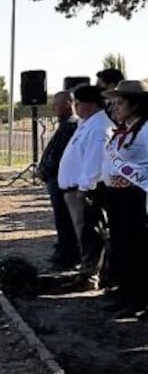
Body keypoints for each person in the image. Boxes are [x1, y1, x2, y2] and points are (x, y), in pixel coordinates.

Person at [57, 85, 114, 291]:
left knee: (89, 234)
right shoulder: (87, 123)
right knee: (83, 234)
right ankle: (87, 272)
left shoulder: (99, 128)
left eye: (77, 103)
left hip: (87, 190)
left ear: (88, 105)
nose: (75, 107)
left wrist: (85, 188)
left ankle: (91, 276)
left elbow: (95, 162)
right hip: (75, 189)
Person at [100, 80, 148, 316]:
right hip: (116, 196)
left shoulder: (146, 130)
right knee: (121, 246)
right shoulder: (123, 129)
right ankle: (126, 292)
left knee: (136, 248)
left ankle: (138, 298)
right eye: (113, 103)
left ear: (136, 105)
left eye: (120, 102)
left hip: (136, 197)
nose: (114, 107)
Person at [37, 91, 80, 269]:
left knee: (65, 219)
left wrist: (46, 170)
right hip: (55, 179)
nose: (53, 107)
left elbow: (59, 155)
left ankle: (67, 255)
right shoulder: (65, 125)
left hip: (60, 179)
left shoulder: (71, 126)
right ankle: (64, 251)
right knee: (61, 218)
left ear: (69, 103)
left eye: (57, 104)